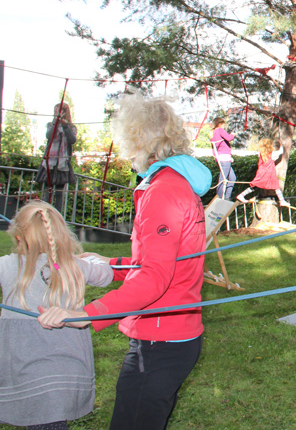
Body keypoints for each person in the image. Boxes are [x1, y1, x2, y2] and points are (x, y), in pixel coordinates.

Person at [37, 93, 212, 430]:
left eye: (128, 141)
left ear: (139, 139)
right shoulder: (173, 184)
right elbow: (157, 261)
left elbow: (155, 278)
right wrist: (108, 264)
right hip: (168, 336)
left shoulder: (163, 191)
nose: (126, 152)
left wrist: (88, 314)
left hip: (162, 341)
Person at [0, 201, 113, 429]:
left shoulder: (6, 265)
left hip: (21, 370)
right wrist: (92, 259)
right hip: (64, 372)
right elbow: (107, 275)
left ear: (19, 238)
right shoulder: (76, 266)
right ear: (61, 236)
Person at [37, 102, 78, 214]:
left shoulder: (71, 127)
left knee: (59, 193)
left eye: (60, 111)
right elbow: (48, 136)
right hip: (50, 162)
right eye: (56, 110)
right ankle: (45, 215)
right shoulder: (51, 124)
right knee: (47, 191)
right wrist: (56, 122)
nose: (58, 113)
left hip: (63, 163)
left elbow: (72, 140)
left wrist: (65, 126)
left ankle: (57, 216)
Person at [236, 138, 290, 207]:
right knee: (276, 187)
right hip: (269, 174)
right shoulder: (271, 154)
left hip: (261, 174)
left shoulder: (261, 154)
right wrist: (282, 145)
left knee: (255, 186)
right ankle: (282, 201)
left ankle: (241, 195)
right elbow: (280, 152)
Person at [210, 116, 236, 199]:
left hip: (221, 158)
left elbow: (214, 148)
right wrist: (233, 135)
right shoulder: (220, 130)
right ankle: (219, 197)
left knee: (232, 177)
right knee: (223, 179)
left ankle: (227, 197)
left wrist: (216, 157)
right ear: (220, 124)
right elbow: (229, 138)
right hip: (225, 158)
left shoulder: (213, 133)